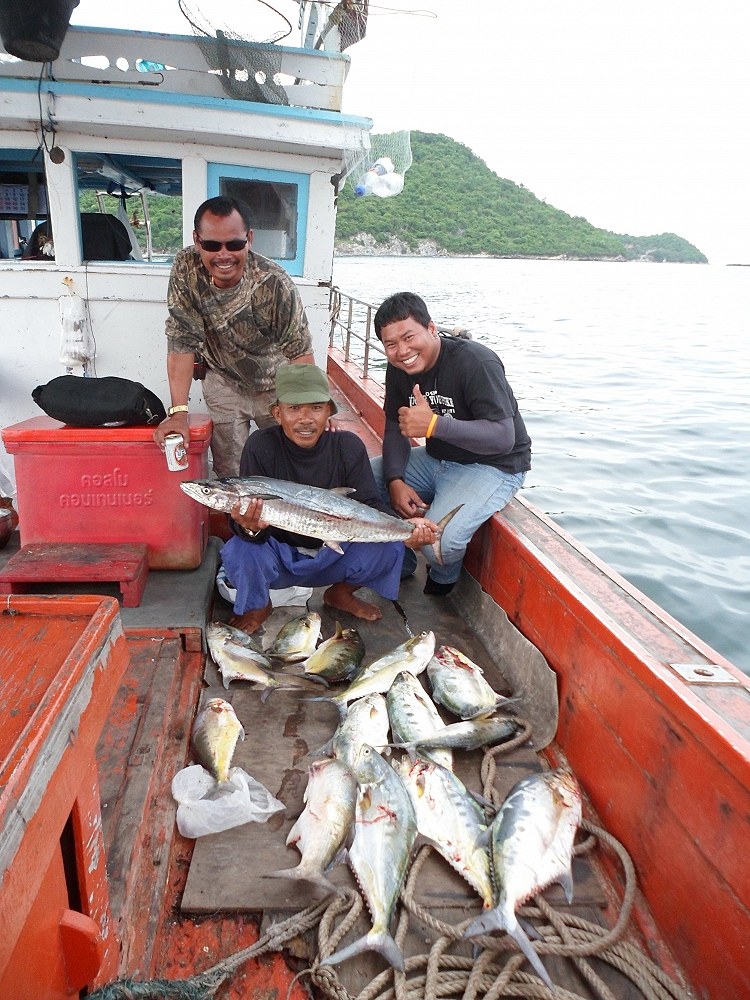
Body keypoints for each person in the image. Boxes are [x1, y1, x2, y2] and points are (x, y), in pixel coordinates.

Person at [221, 364, 438, 633]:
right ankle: (257, 604)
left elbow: (370, 504)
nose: (305, 418)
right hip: (281, 553)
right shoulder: (260, 446)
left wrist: (407, 530)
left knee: (391, 548)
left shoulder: (348, 446)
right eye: (294, 409)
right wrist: (250, 529)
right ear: (278, 413)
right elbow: (247, 520)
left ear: (329, 412)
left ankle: (340, 594)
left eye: (315, 408)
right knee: (240, 549)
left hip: (335, 554)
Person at [371, 291, 531, 596]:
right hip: (436, 458)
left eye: (409, 337)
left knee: (439, 542)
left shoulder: (476, 361)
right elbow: (395, 425)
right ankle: (399, 560)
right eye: (391, 344)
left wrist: (434, 424)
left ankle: (443, 581)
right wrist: (395, 480)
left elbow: (503, 436)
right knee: (360, 481)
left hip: (493, 465)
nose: (402, 351)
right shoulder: (399, 369)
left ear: (431, 328)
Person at [154, 196, 314, 476]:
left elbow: (299, 352)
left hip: (275, 382)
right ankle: (238, 521)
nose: (223, 255)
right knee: (230, 471)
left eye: (235, 244)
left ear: (249, 239)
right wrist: (178, 412)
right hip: (222, 381)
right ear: (197, 240)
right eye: (212, 245)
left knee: (290, 465)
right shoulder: (185, 269)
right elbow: (182, 338)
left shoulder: (274, 282)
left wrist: (310, 410)